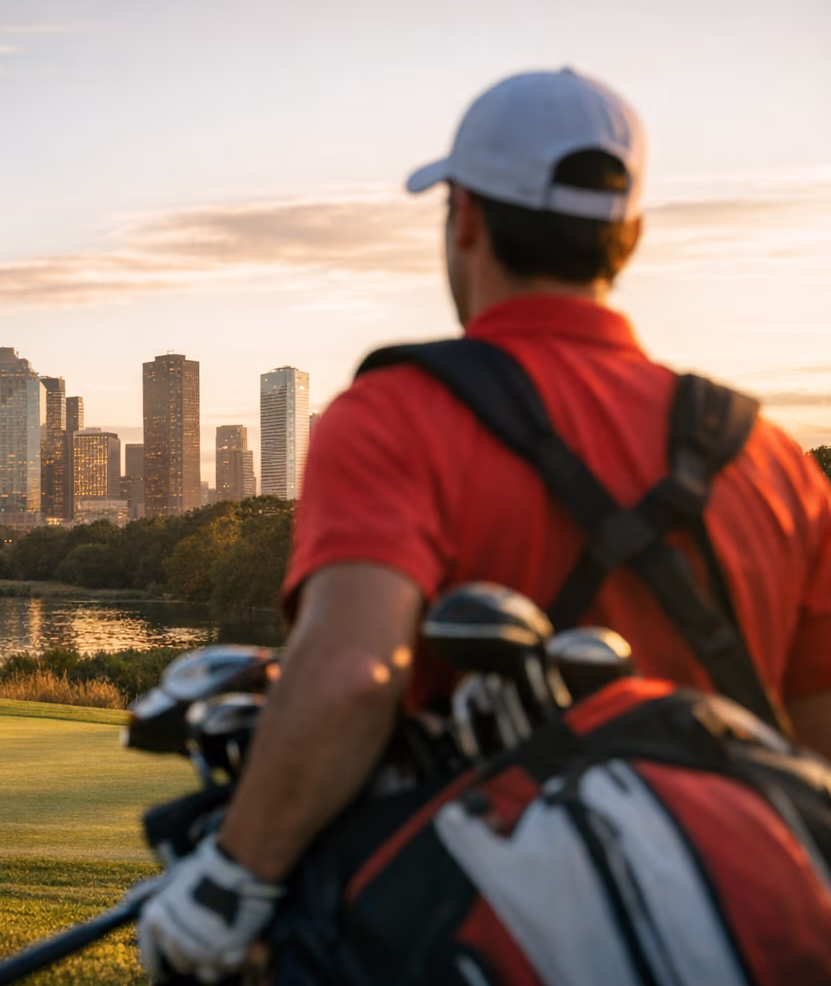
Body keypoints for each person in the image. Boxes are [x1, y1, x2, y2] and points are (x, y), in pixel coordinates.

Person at [138, 68, 831, 983]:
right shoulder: (772, 457)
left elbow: (353, 673)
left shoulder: (395, 414)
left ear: (463, 216)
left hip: (464, 936)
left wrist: (230, 883)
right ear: (628, 237)